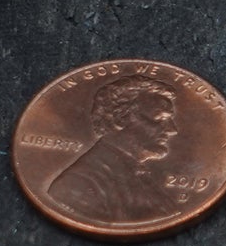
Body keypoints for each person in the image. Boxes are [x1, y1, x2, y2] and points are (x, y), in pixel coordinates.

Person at [45, 76, 182, 223]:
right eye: (159, 118)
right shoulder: (78, 184)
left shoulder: (136, 173)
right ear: (120, 117)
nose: (172, 130)